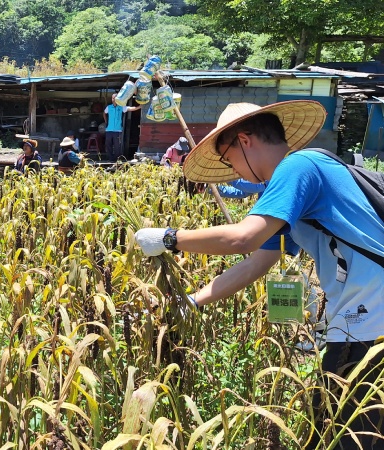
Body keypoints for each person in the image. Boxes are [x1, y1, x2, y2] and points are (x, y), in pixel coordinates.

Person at [133, 100, 384, 449]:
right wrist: (193, 300)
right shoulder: (294, 185)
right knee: (333, 425)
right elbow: (256, 263)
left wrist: (170, 238)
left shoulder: (299, 167)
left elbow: (241, 238)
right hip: (360, 316)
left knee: (349, 435)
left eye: (227, 157)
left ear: (245, 140)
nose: (231, 169)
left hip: (370, 320)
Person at [103, 93, 141, 160]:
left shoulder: (121, 107)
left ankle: (117, 159)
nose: (114, 99)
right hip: (109, 130)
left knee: (117, 146)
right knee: (108, 145)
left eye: (115, 98)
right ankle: (110, 158)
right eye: (113, 98)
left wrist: (139, 107)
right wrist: (106, 121)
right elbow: (104, 113)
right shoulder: (109, 107)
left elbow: (130, 108)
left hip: (117, 130)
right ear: (112, 99)